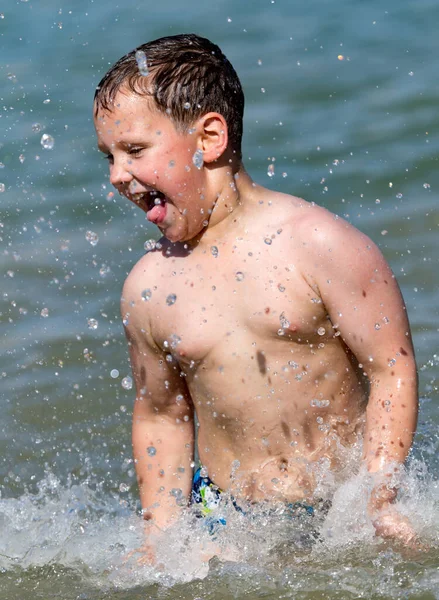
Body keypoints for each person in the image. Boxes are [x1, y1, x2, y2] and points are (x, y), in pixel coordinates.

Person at [93, 33, 419, 554]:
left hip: (339, 506)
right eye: (107, 157)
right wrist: (159, 533)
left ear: (209, 139)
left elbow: (392, 368)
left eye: (133, 150)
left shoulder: (317, 244)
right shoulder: (149, 286)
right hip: (226, 517)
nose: (117, 175)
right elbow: (161, 413)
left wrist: (380, 496)